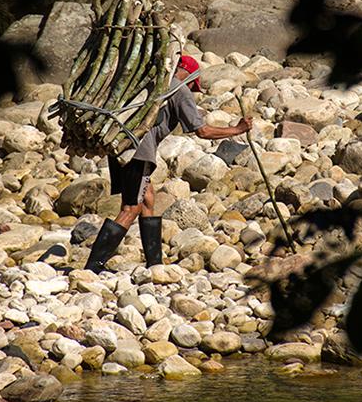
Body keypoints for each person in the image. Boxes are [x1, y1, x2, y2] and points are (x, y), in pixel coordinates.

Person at [85, 55, 252, 272]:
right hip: (138, 152)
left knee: (147, 199)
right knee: (131, 208)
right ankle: (93, 266)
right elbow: (202, 131)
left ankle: (154, 264)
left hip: (119, 147)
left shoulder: (153, 83)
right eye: (194, 84)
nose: (192, 89)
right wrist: (237, 130)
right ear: (190, 77)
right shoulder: (179, 90)